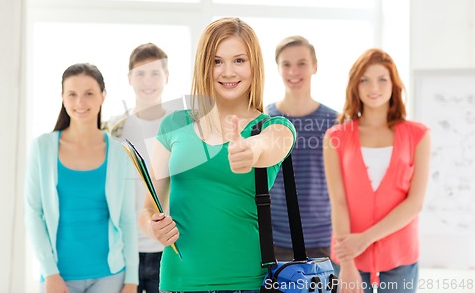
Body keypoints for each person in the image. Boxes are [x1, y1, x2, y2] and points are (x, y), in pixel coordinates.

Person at [138, 17, 296, 292]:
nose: (228, 72)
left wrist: (250, 149)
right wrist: (153, 228)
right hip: (178, 282)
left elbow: (271, 145)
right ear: (204, 65)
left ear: (254, 65)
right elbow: (148, 208)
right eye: (217, 61)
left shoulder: (273, 127)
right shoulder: (174, 125)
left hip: (246, 283)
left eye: (239, 60)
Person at [323, 49, 431, 293]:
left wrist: (365, 238)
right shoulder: (336, 138)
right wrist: (348, 263)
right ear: (355, 85)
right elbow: (338, 202)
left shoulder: (418, 135)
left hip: (400, 258)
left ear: (393, 84)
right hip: (348, 257)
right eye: (365, 79)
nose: (374, 87)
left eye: (382, 78)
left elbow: (414, 203)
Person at [25, 63, 138, 293]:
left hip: (110, 276)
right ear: (62, 98)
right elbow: (33, 213)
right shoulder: (42, 147)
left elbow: (127, 218)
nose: (80, 103)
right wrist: (50, 272)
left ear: (102, 96)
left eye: (89, 94)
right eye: (72, 94)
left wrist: (132, 280)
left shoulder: (119, 152)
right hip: (58, 277)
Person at [267, 36, 337, 260]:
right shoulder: (264, 120)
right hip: (272, 240)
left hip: (322, 242)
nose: (293, 72)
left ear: (315, 66)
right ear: (277, 69)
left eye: (301, 64)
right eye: (286, 64)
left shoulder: (334, 122)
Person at [107, 43, 170, 293]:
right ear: (129, 78)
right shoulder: (115, 128)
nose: (148, 81)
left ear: (167, 77)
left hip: (166, 245)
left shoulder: (177, 125)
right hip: (124, 247)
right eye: (140, 73)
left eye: (155, 73)